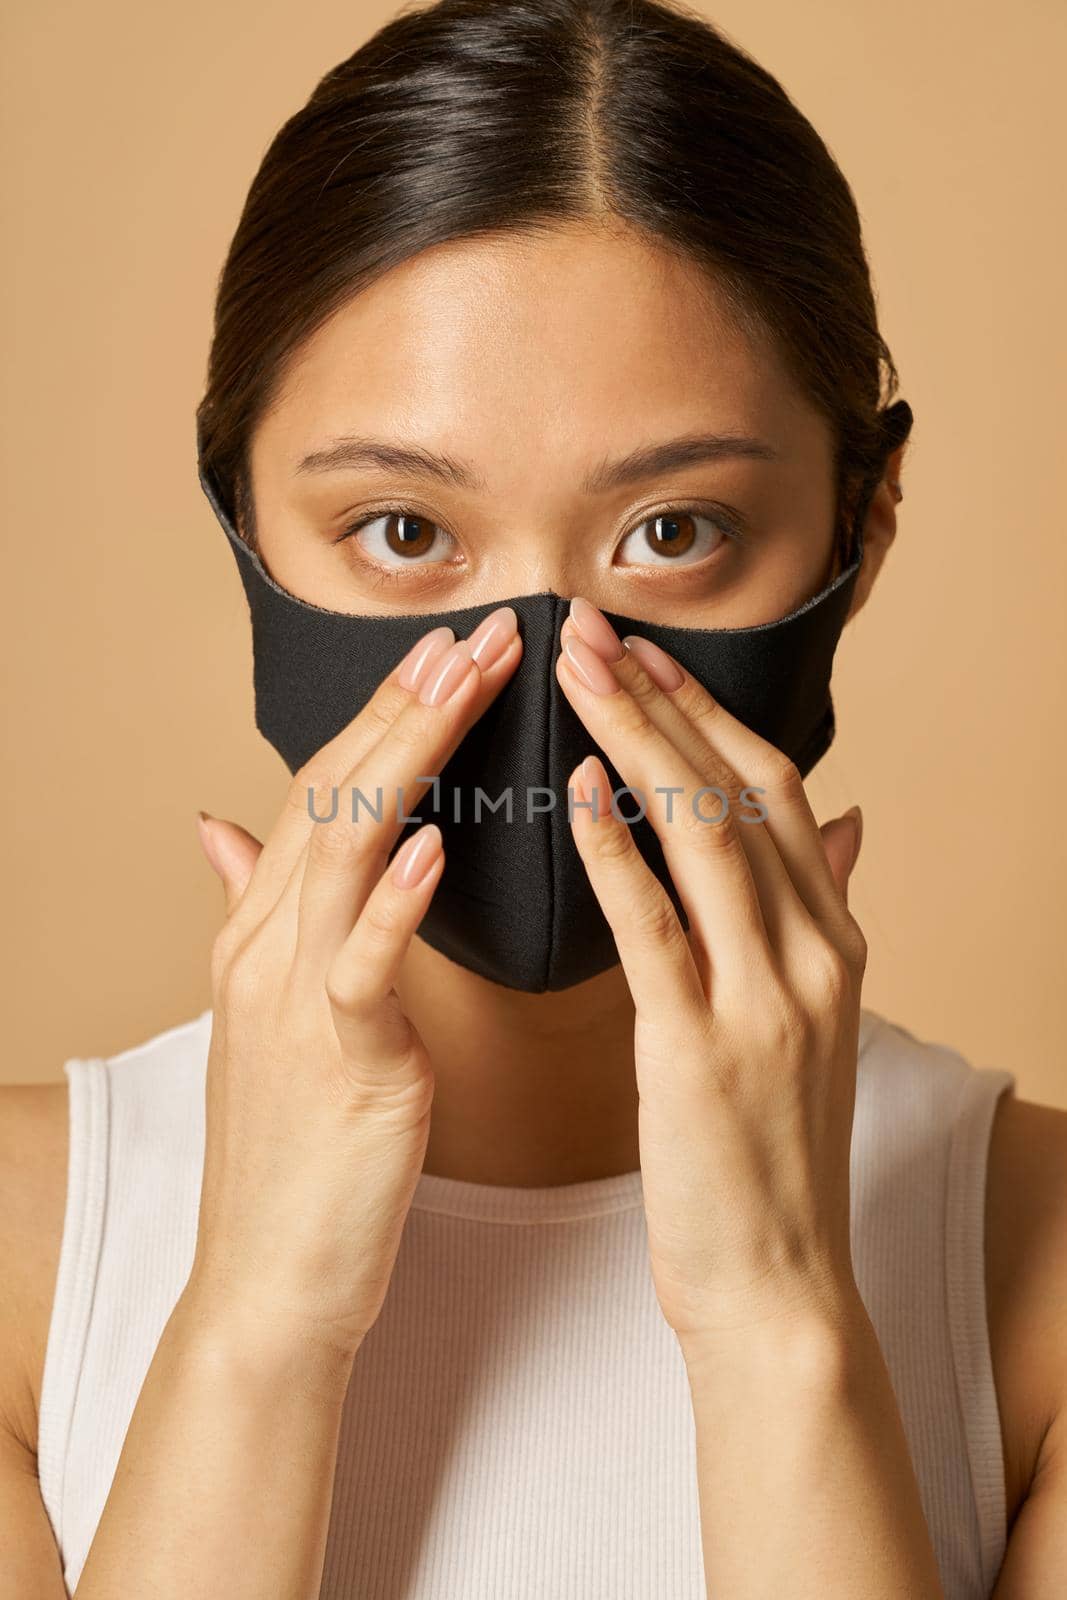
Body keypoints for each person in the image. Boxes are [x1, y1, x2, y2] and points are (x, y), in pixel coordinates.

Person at [1, 2, 1064, 1596]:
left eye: (675, 529)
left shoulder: (1041, 1276)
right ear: (240, 525)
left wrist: (778, 1313)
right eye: (406, 532)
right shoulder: (20, 1259)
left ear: (866, 522)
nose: (550, 663)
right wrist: (257, 1322)